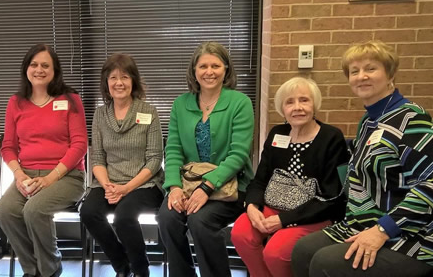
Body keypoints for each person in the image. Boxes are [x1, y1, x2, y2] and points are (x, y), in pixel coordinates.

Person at [291, 41, 433, 277]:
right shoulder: (369, 121)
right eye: (354, 71)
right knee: (303, 250)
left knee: (326, 263)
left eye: (370, 69)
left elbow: (430, 184)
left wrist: (382, 230)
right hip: (365, 221)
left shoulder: (412, 120)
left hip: (411, 233)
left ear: (390, 73)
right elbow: (361, 156)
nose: (361, 76)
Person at [229, 77, 349, 277]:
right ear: (282, 108)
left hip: (311, 212)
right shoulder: (278, 133)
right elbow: (260, 180)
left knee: (275, 253)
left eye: (304, 100)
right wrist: (251, 207)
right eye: (290, 102)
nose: (297, 107)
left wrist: (283, 220)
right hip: (273, 205)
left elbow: (332, 197)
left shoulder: (331, 137)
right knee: (240, 233)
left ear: (315, 104)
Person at [156, 41, 254, 277]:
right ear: (194, 71)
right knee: (167, 217)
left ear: (226, 70)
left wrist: (207, 186)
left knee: (200, 222)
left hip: (231, 186)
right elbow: (174, 149)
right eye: (203, 66)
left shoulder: (240, 103)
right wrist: (174, 187)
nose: (209, 72)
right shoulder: (181, 104)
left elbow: (239, 154)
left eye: (216, 66)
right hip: (189, 184)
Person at [0, 44, 87, 277]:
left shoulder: (70, 99)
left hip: (66, 176)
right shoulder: (16, 102)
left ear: (55, 70)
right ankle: (32, 269)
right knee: (5, 210)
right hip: (26, 174)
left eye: (45, 65)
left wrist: (49, 178)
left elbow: (79, 145)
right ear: (26, 68)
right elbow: (8, 147)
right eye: (34, 64)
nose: (39, 69)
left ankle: (50, 268)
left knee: (34, 210)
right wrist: (19, 175)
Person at [79, 53, 164, 277]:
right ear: (106, 83)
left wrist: (126, 189)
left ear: (133, 81)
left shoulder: (148, 112)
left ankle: (141, 270)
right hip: (109, 182)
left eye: (125, 77)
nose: (119, 83)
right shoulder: (100, 114)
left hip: (145, 183)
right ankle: (122, 265)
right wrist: (107, 185)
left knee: (124, 216)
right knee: (88, 212)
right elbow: (96, 158)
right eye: (113, 77)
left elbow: (155, 159)